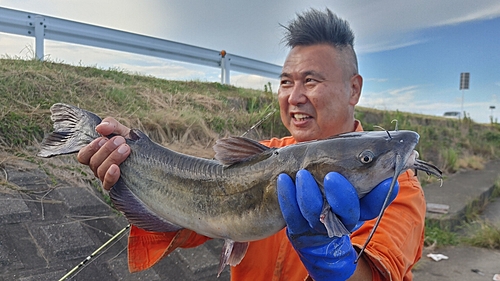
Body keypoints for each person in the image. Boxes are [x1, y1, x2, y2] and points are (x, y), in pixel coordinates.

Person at [77, 8, 425, 281]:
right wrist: (132, 158)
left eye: (311, 81)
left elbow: (382, 273)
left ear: (354, 89)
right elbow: (191, 224)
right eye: (287, 82)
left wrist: (333, 262)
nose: (295, 97)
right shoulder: (262, 153)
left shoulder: (399, 187)